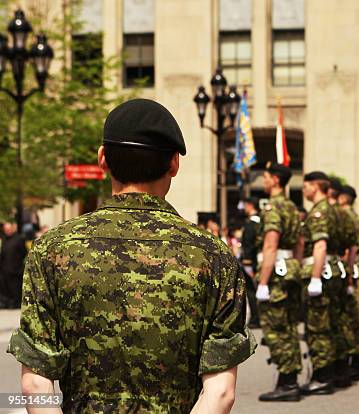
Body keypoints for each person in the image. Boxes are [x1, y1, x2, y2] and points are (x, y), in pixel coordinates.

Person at [7, 99, 256, 413]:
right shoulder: (215, 256)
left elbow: (36, 385)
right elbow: (220, 393)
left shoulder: (51, 249)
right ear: (174, 164)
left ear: (102, 159)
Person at [255, 163, 303, 402]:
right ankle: (291, 378)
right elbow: (300, 243)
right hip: (290, 270)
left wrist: (263, 282)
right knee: (289, 326)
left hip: (275, 273)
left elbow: (270, 244)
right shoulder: (292, 206)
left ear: (275, 180)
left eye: (265, 177)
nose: (263, 181)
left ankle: (287, 382)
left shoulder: (273, 207)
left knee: (276, 329)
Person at [299, 171, 345, 395]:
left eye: (306, 186)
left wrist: (315, 278)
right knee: (332, 322)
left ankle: (322, 377)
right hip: (334, 270)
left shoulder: (319, 212)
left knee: (318, 327)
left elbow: (320, 246)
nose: (304, 190)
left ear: (315, 186)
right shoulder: (335, 210)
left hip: (322, 271)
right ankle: (334, 372)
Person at [338, 184, 359, 380]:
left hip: (351, 270)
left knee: (350, 317)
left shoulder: (345, 217)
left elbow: (350, 249)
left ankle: (355, 360)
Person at [327, 177, 357, 388]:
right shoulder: (344, 214)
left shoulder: (331, 213)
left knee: (326, 323)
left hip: (329, 268)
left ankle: (330, 372)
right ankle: (342, 368)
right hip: (340, 267)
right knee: (339, 320)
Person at [240, 197, 261, 328]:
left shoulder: (250, 224)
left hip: (251, 262)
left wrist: (247, 262)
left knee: (252, 291)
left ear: (250, 205)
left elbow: (248, 245)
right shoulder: (261, 221)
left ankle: (256, 318)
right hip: (261, 259)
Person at [0, 218, 27, 309]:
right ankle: (6, 303)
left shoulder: (19, 239)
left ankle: (15, 304)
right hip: (4, 269)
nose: (7, 231)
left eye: (9, 229)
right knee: (5, 288)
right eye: (5, 230)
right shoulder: (3, 239)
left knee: (15, 288)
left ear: (12, 229)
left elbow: (24, 252)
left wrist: (17, 262)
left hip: (16, 269)